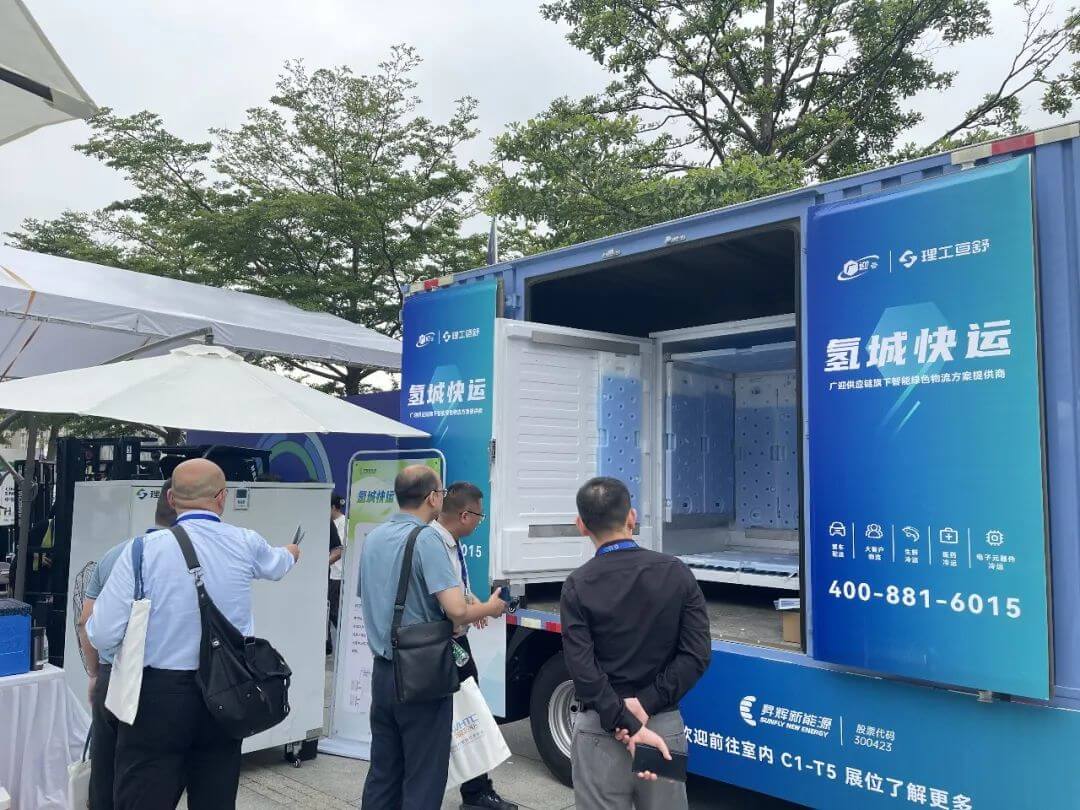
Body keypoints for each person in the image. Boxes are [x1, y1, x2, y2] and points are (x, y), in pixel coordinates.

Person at [87, 459, 301, 810]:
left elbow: (102, 633)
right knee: (215, 797)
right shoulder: (245, 542)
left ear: (171, 498)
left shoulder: (140, 551)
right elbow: (278, 565)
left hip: (156, 696)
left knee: (142, 797)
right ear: (222, 497)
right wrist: (292, 552)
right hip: (226, 693)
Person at [359, 465, 508, 810]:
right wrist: (489, 608)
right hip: (421, 674)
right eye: (441, 492)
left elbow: (368, 597)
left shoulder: (374, 537)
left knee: (383, 772)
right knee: (424, 777)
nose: (442, 497)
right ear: (431, 498)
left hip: (383, 672)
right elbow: (455, 609)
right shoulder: (426, 539)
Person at [561, 477, 711, 810]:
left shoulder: (577, 585)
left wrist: (623, 718)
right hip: (662, 729)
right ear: (632, 517)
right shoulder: (676, 572)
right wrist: (645, 705)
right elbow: (696, 654)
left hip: (600, 730)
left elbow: (582, 671)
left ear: (581, 525)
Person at [77, 481, 177, 810]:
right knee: (145, 778)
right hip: (161, 683)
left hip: (111, 675)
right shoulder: (188, 559)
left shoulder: (116, 553)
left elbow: (86, 620)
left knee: (104, 770)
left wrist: (95, 674)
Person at [432, 482, 517, 810]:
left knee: (472, 713)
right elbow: (448, 608)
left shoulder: (449, 543)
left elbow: (453, 592)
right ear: (465, 515)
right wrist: (486, 609)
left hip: (455, 642)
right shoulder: (433, 544)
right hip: (443, 645)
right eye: (479, 516)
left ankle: (476, 791)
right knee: (460, 715)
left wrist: (475, 605)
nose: (480, 522)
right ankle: (474, 792)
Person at [327, 493, 346, 655]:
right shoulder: (332, 522)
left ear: (333, 507)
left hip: (338, 574)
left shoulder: (343, 524)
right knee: (329, 610)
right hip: (331, 573)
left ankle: (344, 638)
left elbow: (338, 551)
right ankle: (327, 645)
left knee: (334, 611)